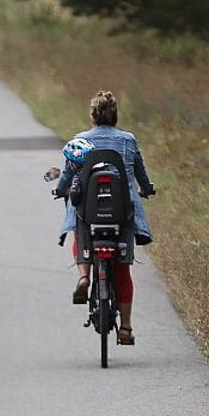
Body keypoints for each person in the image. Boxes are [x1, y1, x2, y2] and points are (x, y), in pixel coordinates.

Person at [54, 90, 154, 346]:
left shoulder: (79, 140)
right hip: (122, 211)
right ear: (115, 116)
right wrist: (146, 188)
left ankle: (84, 276)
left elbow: (67, 176)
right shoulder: (128, 140)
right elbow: (140, 174)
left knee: (80, 230)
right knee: (122, 269)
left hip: (89, 211)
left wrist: (60, 189)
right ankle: (126, 328)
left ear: (93, 117)